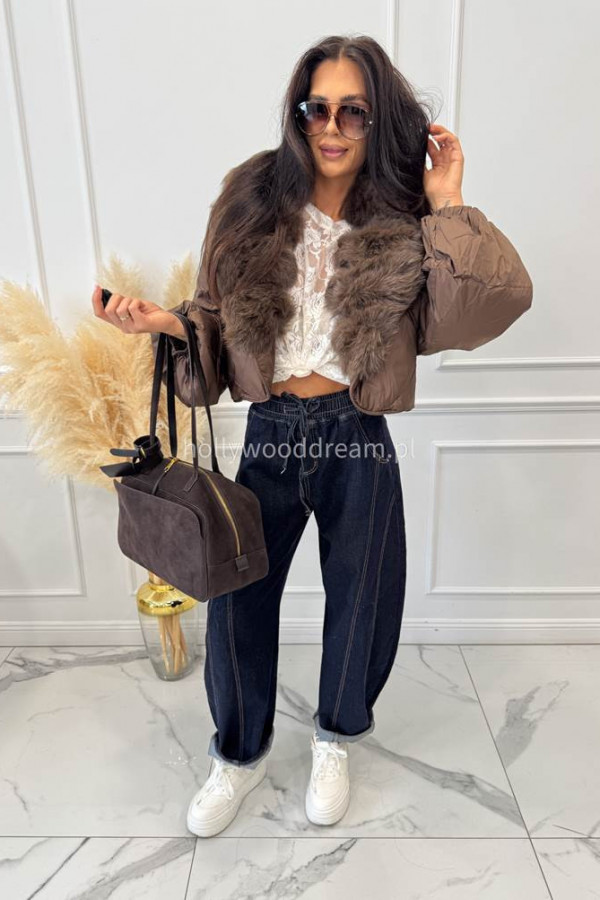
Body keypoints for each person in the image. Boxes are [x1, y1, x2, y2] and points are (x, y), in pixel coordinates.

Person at [92, 34, 533, 838]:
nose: (331, 127)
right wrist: (165, 323)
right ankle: (238, 753)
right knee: (238, 603)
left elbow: (484, 309)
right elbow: (217, 319)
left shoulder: (403, 213)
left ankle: (335, 738)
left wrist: (447, 201)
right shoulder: (250, 200)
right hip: (271, 430)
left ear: (377, 118)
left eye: (352, 112)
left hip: (356, 430)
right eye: (316, 108)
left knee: (363, 598)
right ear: (298, 114)